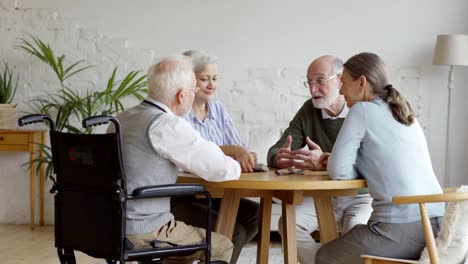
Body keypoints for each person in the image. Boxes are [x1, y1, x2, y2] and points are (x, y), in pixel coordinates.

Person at [316, 52, 445, 264]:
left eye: (343, 82)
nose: (340, 89)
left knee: (326, 256)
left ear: (362, 83)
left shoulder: (362, 110)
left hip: (402, 230)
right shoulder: (403, 112)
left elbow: (338, 171)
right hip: (436, 226)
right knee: (356, 232)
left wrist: (339, 163)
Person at [113, 56, 240, 264]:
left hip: (112, 224)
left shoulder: (121, 118)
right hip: (146, 229)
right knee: (221, 246)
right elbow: (219, 169)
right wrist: (237, 163)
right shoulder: (166, 124)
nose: (195, 94)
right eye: (193, 90)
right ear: (182, 96)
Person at [267, 55, 373, 264]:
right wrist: (281, 158)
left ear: (340, 80)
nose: (312, 89)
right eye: (309, 82)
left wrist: (326, 160)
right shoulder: (309, 110)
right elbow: (276, 151)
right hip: (322, 197)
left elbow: (370, 160)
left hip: (360, 197)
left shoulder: (362, 110)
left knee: (356, 238)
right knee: (288, 224)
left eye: (320, 81)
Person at [171, 50, 259, 264]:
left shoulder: (218, 109)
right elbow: (190, 158)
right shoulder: (178, 112)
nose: (211, 85)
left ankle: (213, 258)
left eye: (215, 78)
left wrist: (245, 154)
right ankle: (214, 256)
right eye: (204, 79)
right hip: (185, 196)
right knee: (232, 233)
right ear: (189, 81)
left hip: (219, 193)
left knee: (256, 214)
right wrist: (229, 151)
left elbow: (239, 147)